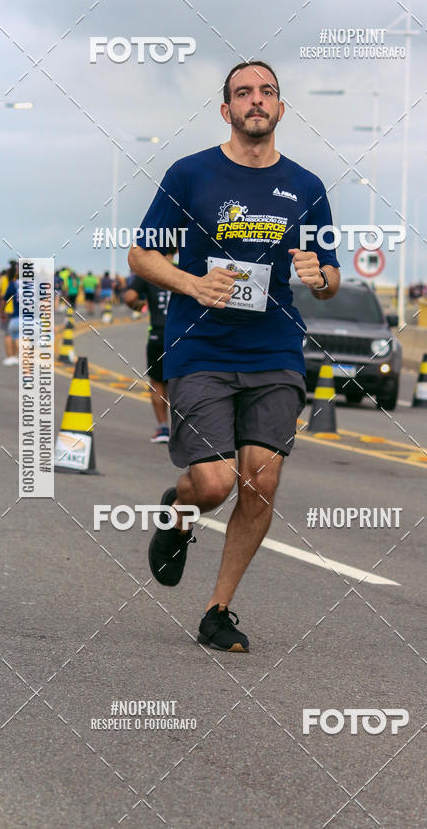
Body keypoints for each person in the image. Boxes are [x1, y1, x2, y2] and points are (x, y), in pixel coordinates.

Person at [128, 60, 340, 652]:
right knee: (215, 483)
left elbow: (330, 277)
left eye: (266, 92)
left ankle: (218, 609)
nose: (256, 100)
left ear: (280, 108)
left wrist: (317, 274)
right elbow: (141, 256)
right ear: (226, 110)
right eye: (243, 93)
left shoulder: (307, 187)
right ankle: (180, 510)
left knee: (261, 480)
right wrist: (192, 283)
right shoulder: (190, 174)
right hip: (200, 346)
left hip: (275, 349)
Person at [123, 256, 173, 443]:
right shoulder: (185, 268)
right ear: (176, 249)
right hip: (183, 336)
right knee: (183, 382)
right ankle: (184, 431)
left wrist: (139, 306)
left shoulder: (148, 271)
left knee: (157, 383)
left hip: (157, 335)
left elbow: (129, 297)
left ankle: (162, 429)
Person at [0, 264, 19, 365]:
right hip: (23, 314)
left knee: (9, 334)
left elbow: (1, 296)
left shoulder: (6, 281)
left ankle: (10, 356)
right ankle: (16, 355)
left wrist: (0, 312)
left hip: (8, 310)